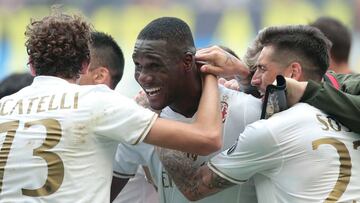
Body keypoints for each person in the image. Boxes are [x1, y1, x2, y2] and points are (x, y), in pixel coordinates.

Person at [0, 10, 222, 202]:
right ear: (85, 64)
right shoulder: (97, 101)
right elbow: (208, 138)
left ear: (31, 67)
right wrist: (210, 73)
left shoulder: (3, 106)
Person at [160, 25, 360, 202]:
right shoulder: (342, 113)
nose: (254, 79)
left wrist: (155, 120)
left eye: (262, 69)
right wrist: (242, 73)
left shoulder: (270, 131)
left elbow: (195, 187)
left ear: (293, 72)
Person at [111, 17, 262, 203]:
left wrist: (243, 75)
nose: (143, 77)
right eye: (138, 65)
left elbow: (194, 188)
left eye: (155, 65)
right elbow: (101, 194)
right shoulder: (140, 116)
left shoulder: (248, 110)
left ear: (187, 61)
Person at [78, 31, 159, 203]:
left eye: (74, 70)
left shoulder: (132, 118)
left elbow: (206, 138)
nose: (66, 79)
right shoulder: (64, 121)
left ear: (99, 76)